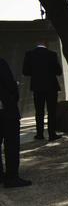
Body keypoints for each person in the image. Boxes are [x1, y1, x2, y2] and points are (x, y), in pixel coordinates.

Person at [22, 38, 63, 141]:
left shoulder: (29, 54)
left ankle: (39, 134)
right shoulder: (52, 54)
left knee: (39, 111)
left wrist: (35, 73)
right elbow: (58, 71)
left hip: (37, 86)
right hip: (51, 86)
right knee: (51, 111)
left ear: (37, 44)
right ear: (46, 44)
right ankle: (52, 133)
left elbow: (25, 71)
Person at [0, 58, 31, 188]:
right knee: (11, 143)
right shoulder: (1, 63)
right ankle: (12, 177)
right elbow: (10, 85)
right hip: (5, 108)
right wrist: (13, 98)